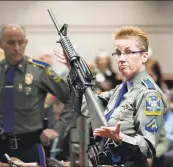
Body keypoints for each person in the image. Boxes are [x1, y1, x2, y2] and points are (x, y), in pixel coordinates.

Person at [53, 26, 166, 167]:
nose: (121, 59)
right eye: (118, 53)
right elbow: (86, 107)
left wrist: (120, 138)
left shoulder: (149, 94)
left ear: (144, 56)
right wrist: (73, 70)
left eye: (129, 52)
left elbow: (148, 148)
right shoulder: (121, 89)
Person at [0, 24, 73, 166]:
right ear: (0, 44)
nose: (16, 48)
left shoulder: (40, 71)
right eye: (10, 42)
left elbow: (72, 98)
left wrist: (58, 129)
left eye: (21, 42)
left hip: (30, 149)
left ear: (26, 43)